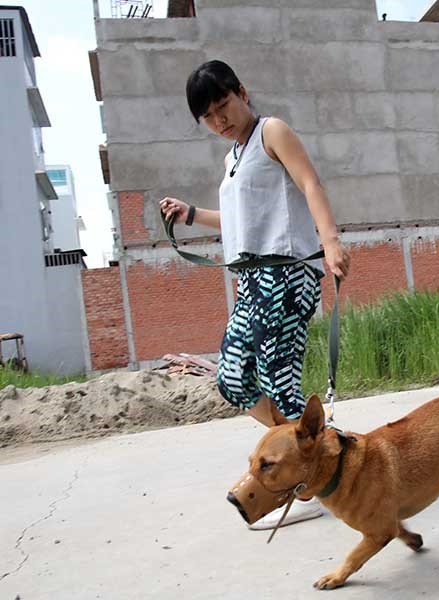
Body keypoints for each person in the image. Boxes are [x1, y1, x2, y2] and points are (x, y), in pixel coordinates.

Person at [160, 60, 350, 530]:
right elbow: (241, 220)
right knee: (232, 379)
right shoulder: (233, 159)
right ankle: (317, 456)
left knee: (276, 375)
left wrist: (330, 242)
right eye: (208, 117)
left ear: (242, 92)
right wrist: (191, 214)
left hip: (287, 272)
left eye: (223, 105)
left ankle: (313, 470)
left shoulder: (272, 132)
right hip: (251, 280)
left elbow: (310, 183)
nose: (219, 120)